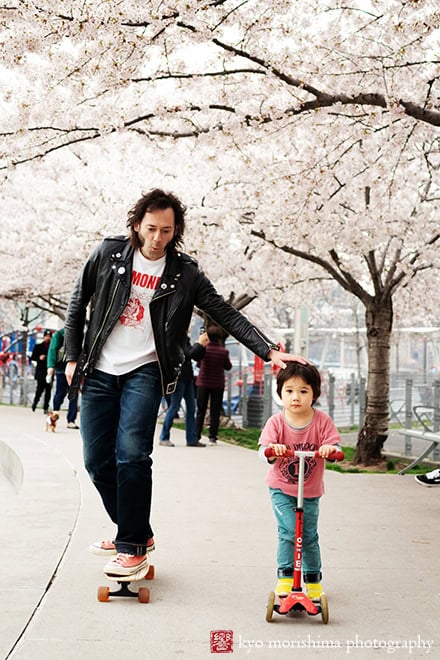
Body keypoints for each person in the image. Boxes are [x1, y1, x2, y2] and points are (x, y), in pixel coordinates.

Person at [64, 187, 306, 578]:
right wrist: (72, 357)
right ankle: (137, 531)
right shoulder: (107, 254)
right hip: (100, 369)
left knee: (132, 455)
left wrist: (268, 351)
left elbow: (224, 313)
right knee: (96, 461)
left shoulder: (185, 273)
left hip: (147, 370)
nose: (157, 239)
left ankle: (130, 546)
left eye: (166, 231)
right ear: (137, 224)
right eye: (151, 229)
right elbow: (78, 303)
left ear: (176, 231)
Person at [258, 361, 341, 599]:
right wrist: (273, 451)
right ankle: (285, 578)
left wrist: (329, 449)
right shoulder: (276, 422)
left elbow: (334, 447)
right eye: (290, 391)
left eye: (303, 391)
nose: (296, 397)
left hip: (311, 490)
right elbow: (263, 451)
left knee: (309, 535)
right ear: (280, 393)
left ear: (314, 393)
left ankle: (313, 580)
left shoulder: (322, 421)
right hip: (281, 489)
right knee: (289, 532)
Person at [159, 336, 207, 447]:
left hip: (188, 377)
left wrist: (202, 346)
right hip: (179, 378)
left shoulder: (186, 338)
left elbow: (195, 356)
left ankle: (191, 438)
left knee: (191, 408)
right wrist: (198, 344)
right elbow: (187, 354)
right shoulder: (176, 337)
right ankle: (164, 436)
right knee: (174, 407)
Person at [193, 325, 232, 446]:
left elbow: (199, 364)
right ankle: (213, 437)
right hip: (217, 384)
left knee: (201, 410)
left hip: (203, 383)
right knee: (215, 411)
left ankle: (196, 435)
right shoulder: (224, 351)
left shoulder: (204, 350)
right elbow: (228, 366)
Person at [47, 328, 79, 429]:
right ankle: (55, 412)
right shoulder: (60, 334)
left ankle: (71, 420)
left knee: (73, 394)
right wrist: (51, 366)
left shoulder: (82, 333)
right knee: (60, 393)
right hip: (61, 367)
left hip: (75, 367)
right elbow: (52, 349)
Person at [30, 329, 53, 413]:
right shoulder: (38, 346)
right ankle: (35, 403)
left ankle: (46, 407)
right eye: (46, 336)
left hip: (49, 371)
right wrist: (39, 358)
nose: (47, 338)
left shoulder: (52, 347)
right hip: (40, 371)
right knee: (39, 389)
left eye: (49, 337)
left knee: (48, 391)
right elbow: (33, 357)